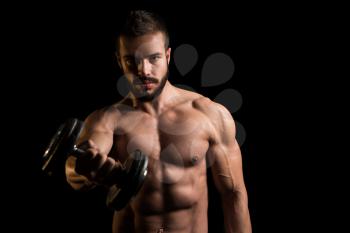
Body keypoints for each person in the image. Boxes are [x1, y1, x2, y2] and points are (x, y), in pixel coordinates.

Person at [65, 10, 252, 233]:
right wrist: (87, 167)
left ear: (168, 56)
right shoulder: (108, 120)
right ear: (119, 61)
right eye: (131, 60)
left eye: (153, 58)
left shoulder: (209, 114)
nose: (143, 71)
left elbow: (234, 194)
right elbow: (76, 169)